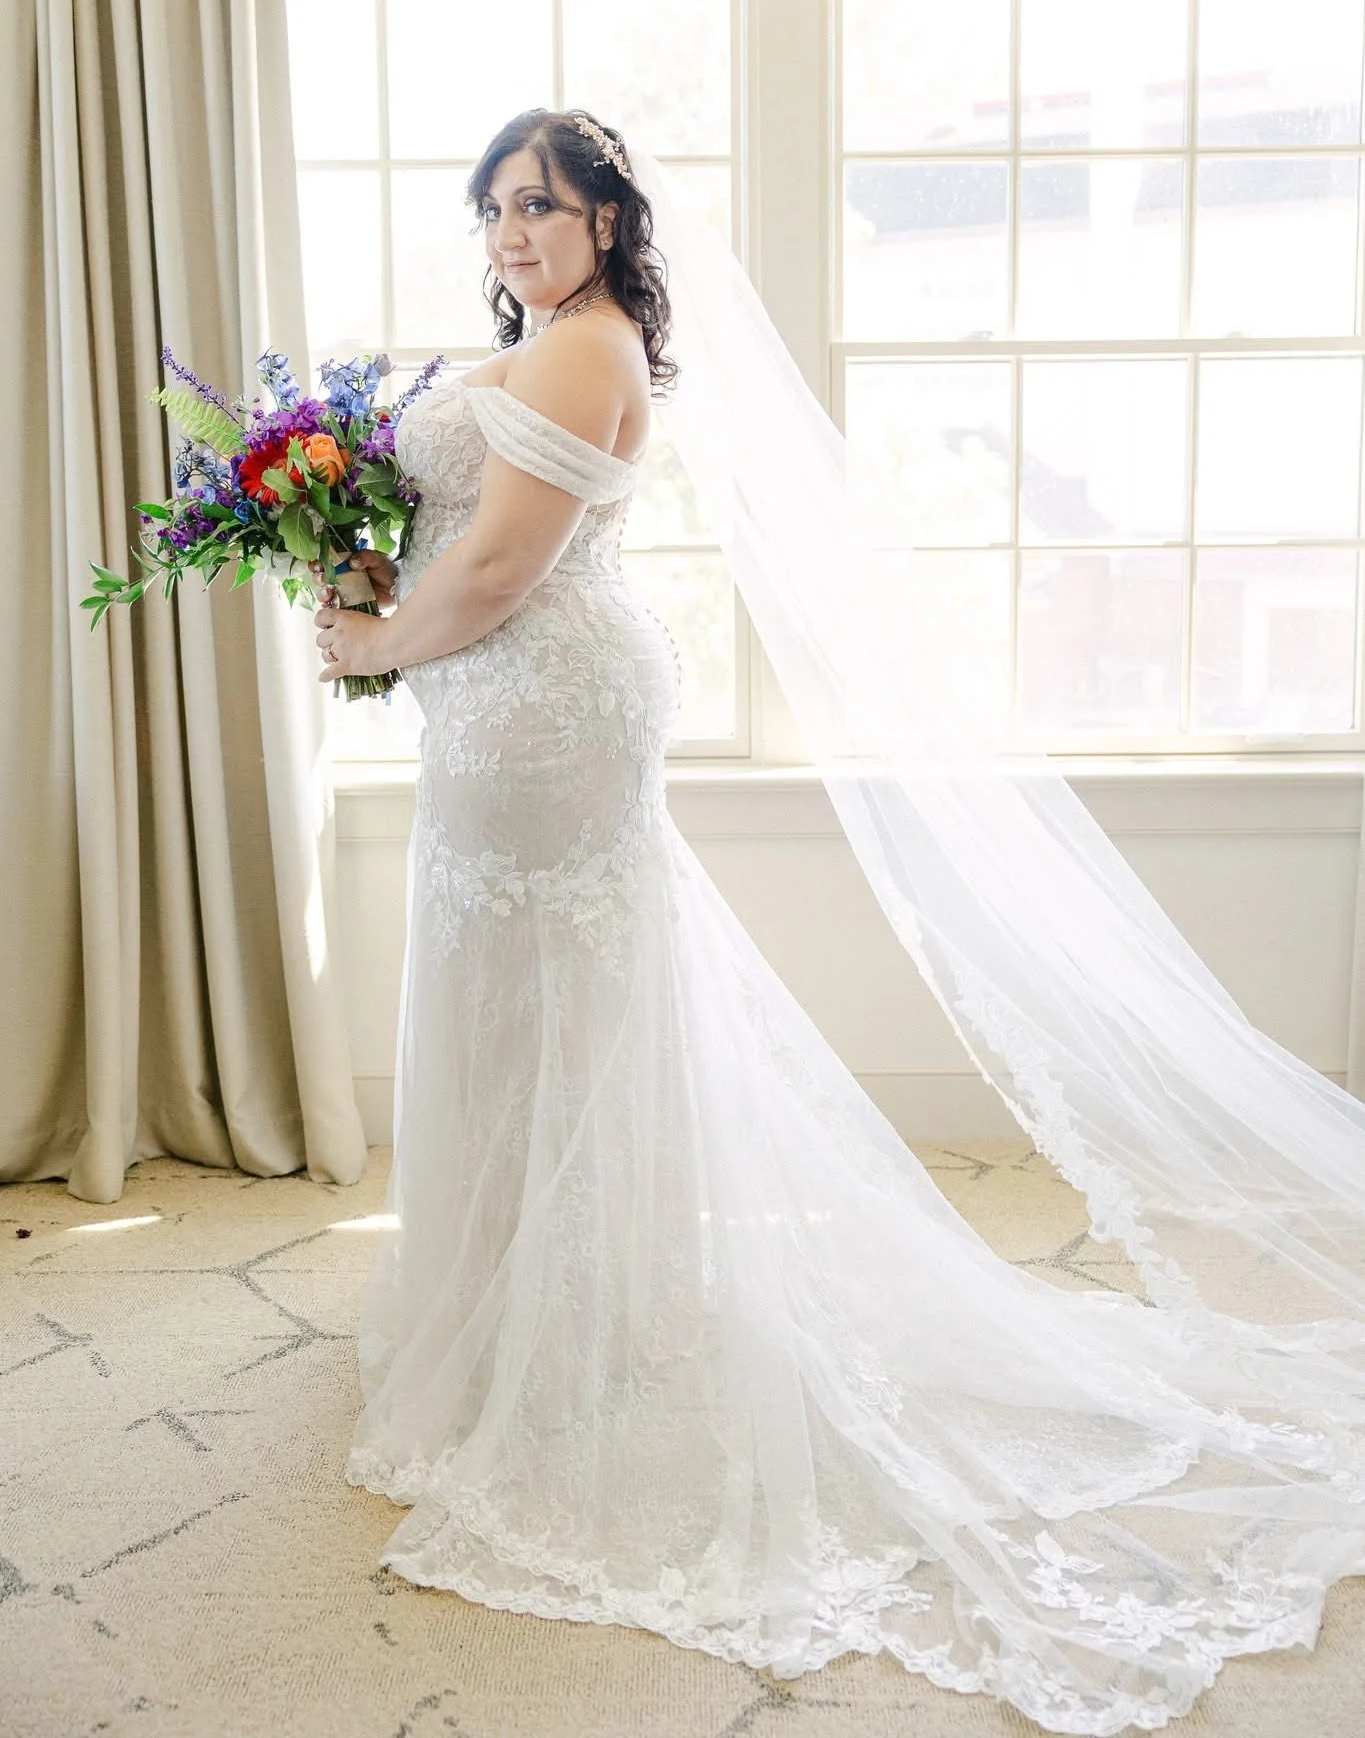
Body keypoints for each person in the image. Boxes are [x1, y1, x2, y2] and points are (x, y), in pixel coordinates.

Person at [314, 108, 1365, 1736]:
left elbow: (508, 565)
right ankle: (523, 1293)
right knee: (511, 999)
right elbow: (462, 534)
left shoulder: (585, 352)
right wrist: (365, 569)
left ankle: (575, 1327)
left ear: (607, 224)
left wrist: (377, 646)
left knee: (547, 998)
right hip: (500, 712)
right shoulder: (536, 344)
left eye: (546, 204)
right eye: (497, 208)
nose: (515, 230)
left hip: (541, 706)